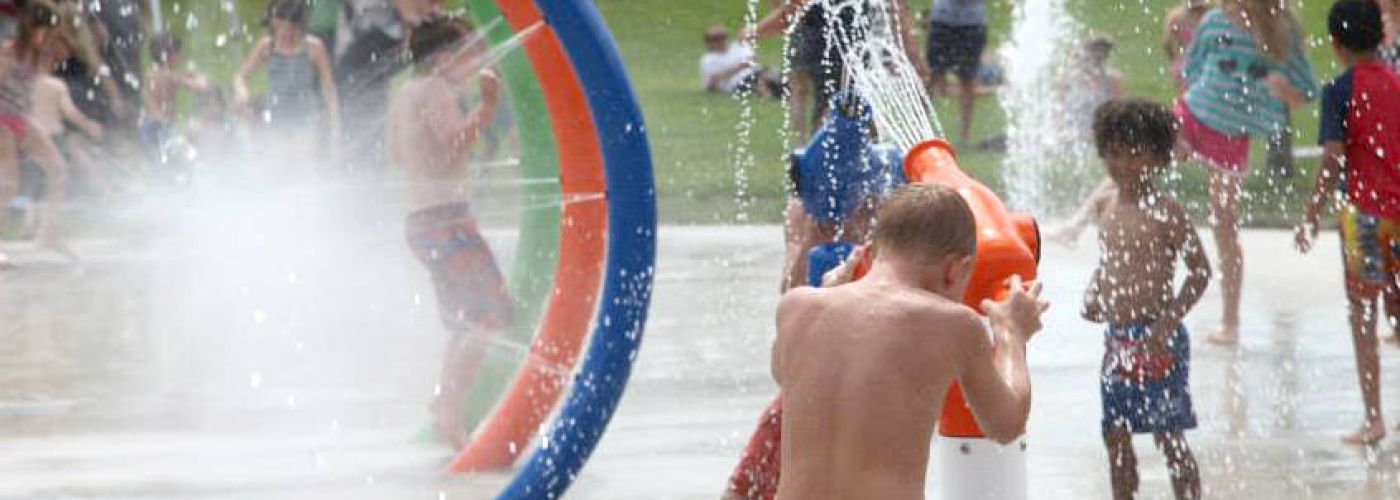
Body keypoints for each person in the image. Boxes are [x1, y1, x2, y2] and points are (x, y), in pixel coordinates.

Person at [770, 183, 1045, 499]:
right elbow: (1005, 424)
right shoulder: (954, 324)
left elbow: (782, 373)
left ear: (870, 252)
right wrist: (1011, 334)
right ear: (956, 269)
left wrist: (827, 290)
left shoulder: (797, 306)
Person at [386, 14, 511, 450]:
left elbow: (397, 154)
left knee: (465, 319)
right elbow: (454, 143)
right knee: (490, 317)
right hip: (447, 222)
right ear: (442, 58)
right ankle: (449, 407)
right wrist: (487, 107)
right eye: (466, 52)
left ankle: (443, 399)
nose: (474, 59)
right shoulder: (438, 89)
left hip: (421, 222)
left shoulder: (406, 93)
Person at [1083, 99, 1210, 500]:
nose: (1123, 164)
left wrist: (1167, 322)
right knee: (1115, 435)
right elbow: (1110, 263)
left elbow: (1201, 272)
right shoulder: (1105, 204)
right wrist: (1094, 291)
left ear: (1158, 157)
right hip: (1118, 339)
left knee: (1168, 436)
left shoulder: (1167, 211)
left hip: (1160, 338)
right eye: (1114, 154)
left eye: (1135, 154)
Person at [1176, 0, 1316, 345]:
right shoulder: (1214, 20)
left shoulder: (1282, 28)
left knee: (1225, 224)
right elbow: (1191, 69)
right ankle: (1083, 222)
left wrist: (1283, 90)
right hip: (1194, 113)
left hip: (1231, 135)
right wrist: (1185, 128)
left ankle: (1230, 321)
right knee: (1141, 160)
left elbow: (1307, 89)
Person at [1295, 0, 1400, 445]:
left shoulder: (1340, 89)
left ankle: (1373, 418)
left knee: (1363, 316)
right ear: (1382, 37)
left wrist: (1311, 215)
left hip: (1362, 217)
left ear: (1335, 46)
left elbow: (1334, 160)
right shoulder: (1397, 83)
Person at [0, 0, 71, 266]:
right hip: (2, 119)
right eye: (48, 32)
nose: (51, 39)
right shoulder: (8, 52)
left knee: (58, 169)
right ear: (32, 29)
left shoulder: (36, 53)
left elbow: (62, 50)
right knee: (8, 185)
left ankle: (50, 234)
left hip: (20, 119)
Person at [234, 0, 341, 169]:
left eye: (290, 30)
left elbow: (328, 87)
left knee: (304, 168)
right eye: (280, 30)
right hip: (278, 118)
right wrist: (242, 94)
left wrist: (335, 122)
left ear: (299, 26)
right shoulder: (267, 47)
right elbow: (240, 76)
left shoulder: (314, 48)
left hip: (306, 118)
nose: (285, 35)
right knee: (279, 169)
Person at [30, 26, 103, 200]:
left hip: (29, 136)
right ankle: (102, 192)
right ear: (52, 59)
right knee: (77, 150)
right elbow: (70, 113)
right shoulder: (56, 85)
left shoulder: (27, 82)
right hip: (53, 136)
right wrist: (89, 125)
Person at [925, 0, 988, 147]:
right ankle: (919, 132)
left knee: (967, 79)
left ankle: (964, 138)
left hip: (972, 22)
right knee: (931, 77)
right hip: (943, 20)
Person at [141, 34, 207, 163]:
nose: (181, 57)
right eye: (179, 53)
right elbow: (199, 86)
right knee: (175, 156)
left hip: (148, 123)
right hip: (162, 125)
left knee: (156, 160)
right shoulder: (170, 75)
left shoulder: (150, 73)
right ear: (170, 56)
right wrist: (197, 75)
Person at [700, 25, 781, 98]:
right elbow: (713, 80)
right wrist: (740, 67)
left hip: (756, 72)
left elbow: (753, 60)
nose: (720, 41)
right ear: (709, 42)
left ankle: (781, 91)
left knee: (771, 74)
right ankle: (770, 96)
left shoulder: (740, 46)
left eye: (722, 37)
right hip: (736, 83)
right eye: (715, 39)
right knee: (761, 80)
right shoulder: (708, 59)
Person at [1164, 0, 1211, 93]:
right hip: (1187, 63)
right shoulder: (1176, 18)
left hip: (1198, 62)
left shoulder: (1209, 18)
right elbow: (1168, 42)